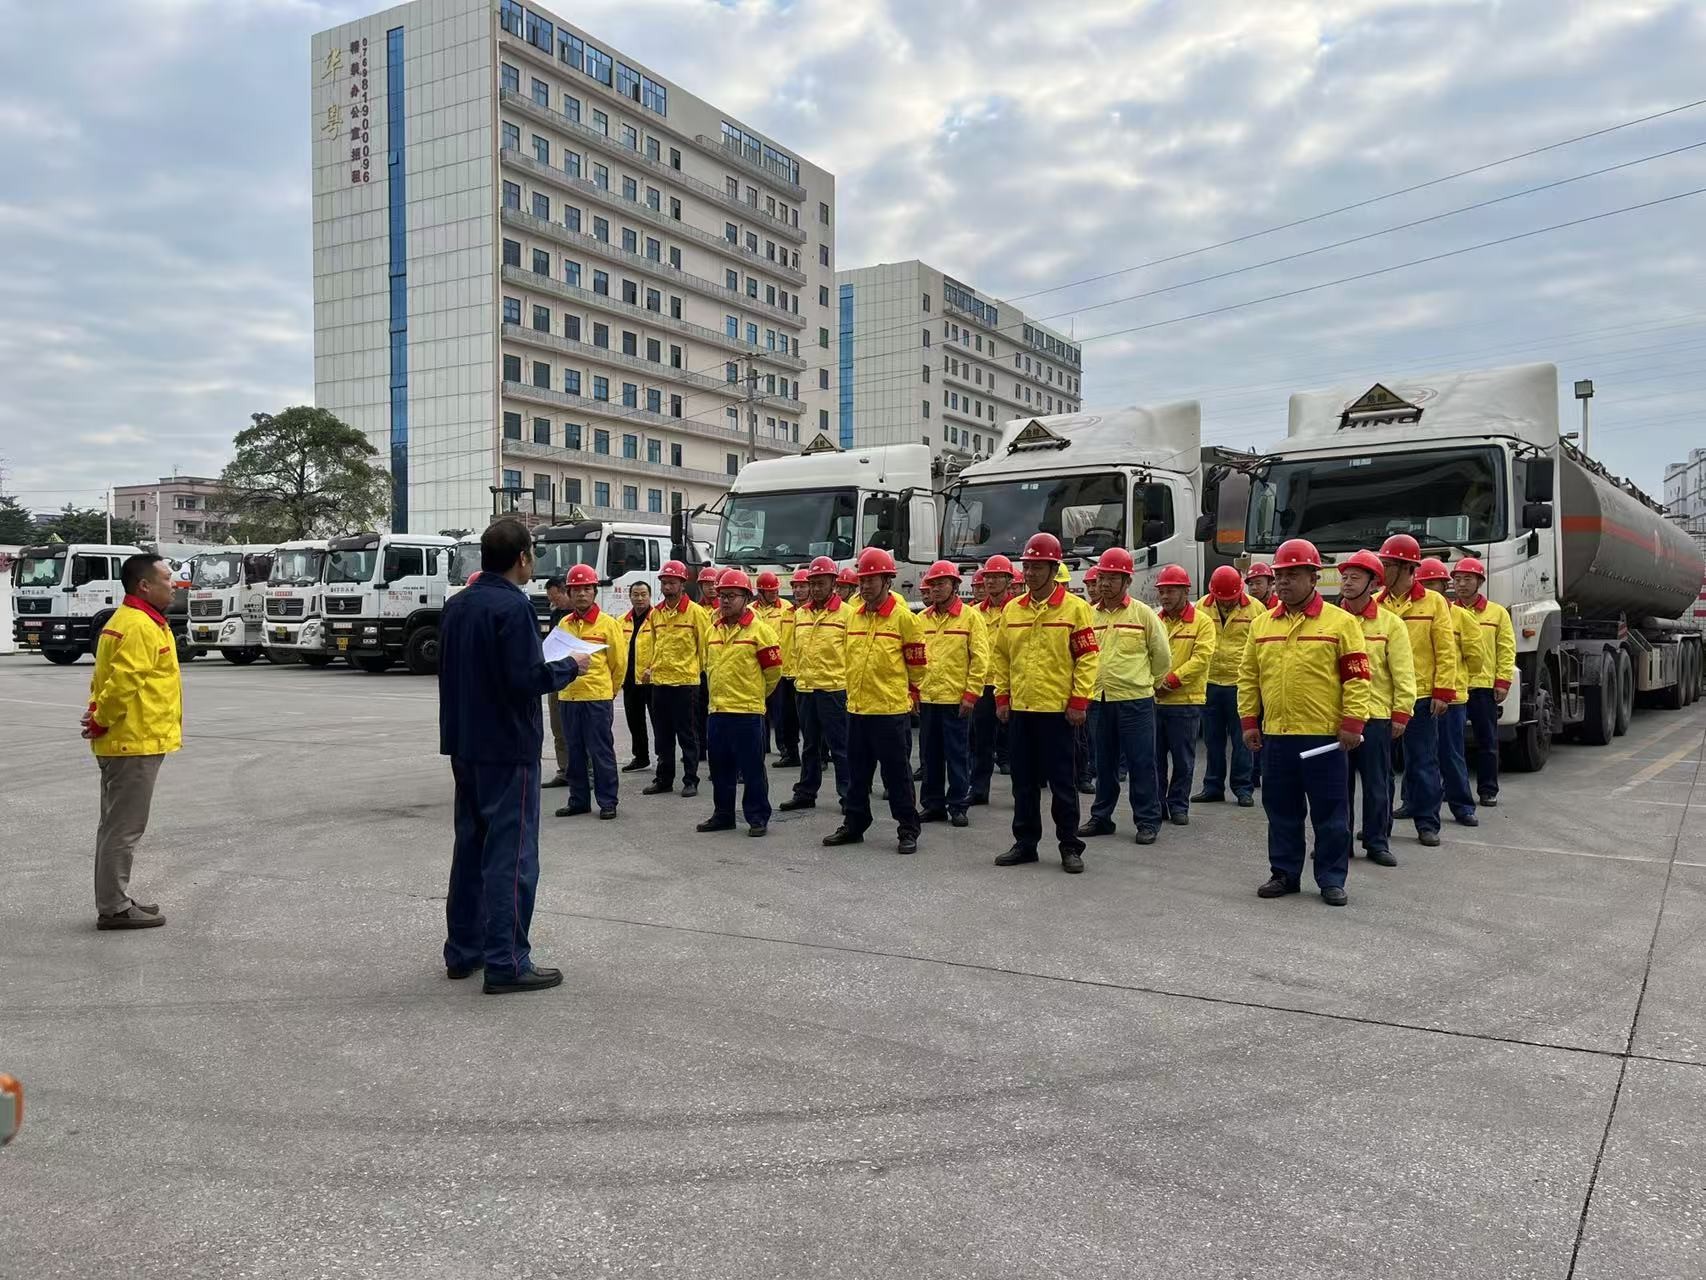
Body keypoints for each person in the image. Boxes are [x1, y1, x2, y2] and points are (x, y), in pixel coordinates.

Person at [439, 518, 589, 994]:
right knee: (512, 855)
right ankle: (507, 960)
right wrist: (570, 665)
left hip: (465, 742)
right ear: (522, 557)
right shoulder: (513, 607)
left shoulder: (458, 606)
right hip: (508, 746)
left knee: (471, 847)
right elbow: (525, 679)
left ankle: (464, 950)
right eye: (533, 554)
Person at [1238, 538, 1372, 906]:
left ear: (1314, 577)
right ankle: (1284, 873)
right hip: (1277, 736)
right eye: (1280, 575)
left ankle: (1331, 878)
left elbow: (1358, 678)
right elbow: (1248, 676)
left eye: (1293, 574)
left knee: (1330, 812)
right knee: (1281, 810)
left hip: (1322, 738)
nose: (1283, 582)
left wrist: (1353, 723)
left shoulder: (1341, 623)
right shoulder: (1262, 624)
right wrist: (1250, 721)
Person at [81, 552, 181, 930]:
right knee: (124, 827)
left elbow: (106, 678)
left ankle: (114, 898)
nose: (173, 585)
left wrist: (98, 717)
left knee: (114, 826)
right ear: (145, 585)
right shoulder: (139, 625)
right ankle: (114, 907)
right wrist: (101, 720)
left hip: (130, 739)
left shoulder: (131, 620)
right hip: (132, 741)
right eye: (167, 579)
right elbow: (122, 682)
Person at [990, 533, 1099, 873]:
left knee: (1063, 783)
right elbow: (1001, 657)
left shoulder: (1076, 609)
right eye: (1028, 566)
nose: (1032, 573)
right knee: (1023, 783)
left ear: (1054, 569)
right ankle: (1025, 843)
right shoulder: (1012, 610)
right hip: (1022, 709)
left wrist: (1079, 700)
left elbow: (1087, 659)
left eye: (1039, 567)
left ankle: (1069, 846)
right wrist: (1002, 697)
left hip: (1058, 712)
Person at [825, 547, 928, 853]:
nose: (865, 585)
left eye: (872, 579)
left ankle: (908, 828)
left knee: (896, 775)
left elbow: (918, 667)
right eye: (863, 580)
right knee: (858, 775)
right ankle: (855, 824)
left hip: (890, 711)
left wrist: (907, 694)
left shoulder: (904, 619)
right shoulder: (853, 618)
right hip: (857, 708)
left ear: (888, 581)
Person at [1077, 547, 1171, 845]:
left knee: (1141, 762)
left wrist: (1146, 684)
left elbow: (1162, 658)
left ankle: (1147, 820)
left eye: (1112, 578)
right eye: (1102, 577)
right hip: (1098, 700)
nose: (1104, 584)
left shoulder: (1143, 615)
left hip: (1135, 701)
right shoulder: (1088, 615)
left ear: (1127, 581)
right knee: (1103, 763)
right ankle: (1101, 816)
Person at [1377, 534, 1459, 848]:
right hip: (1384, 697)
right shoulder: (1376, 603)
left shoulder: (1434, 602)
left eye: (1387, 565)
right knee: (1381, 766)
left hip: (1422, 695)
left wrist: (1443, 691)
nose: (1381, 570)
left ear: (1406, 567)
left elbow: (1446, 650)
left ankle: (1427, 823)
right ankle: (1379, 824)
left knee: (1423, 761)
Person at [1337, 549, 1416, 867]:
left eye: (1356, 577)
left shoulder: (1391, 624)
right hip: (1339, 718)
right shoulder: (1331, 620)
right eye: (1344, 576)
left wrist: (1402, 712)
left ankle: (1377, 841)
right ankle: (1339, 841)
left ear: (1373, 583)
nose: (1347, 582)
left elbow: (1403, 671)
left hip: (1377, 717)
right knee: (1337, 786)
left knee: (1377, 784)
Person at [697, 569, 784, 836]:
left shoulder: (761, 632)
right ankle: (723, 814)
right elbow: (707, 664)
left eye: (731, 596)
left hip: (747, 711)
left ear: (746, 597)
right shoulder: (713, 630)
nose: (724, 601)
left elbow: (773, 673)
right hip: (718, 710)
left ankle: (757, 816)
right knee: (720, 767)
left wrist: (754, 695)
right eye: (722, 595)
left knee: (752, 768)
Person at [914, 559, 989, 828]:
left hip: (956, 699)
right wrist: (913, 692)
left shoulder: (970, 617)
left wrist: (971, 694)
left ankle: (958, 804)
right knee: (929, 755)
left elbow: (980, 658)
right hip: (928, 697)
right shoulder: (921, 619)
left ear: (955, 586)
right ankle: (932, 804)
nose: (935, 589)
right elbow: (913, 657)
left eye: (941, 583)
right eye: (932, 584)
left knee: (957, 754)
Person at [551, 563, 627, 821]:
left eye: (587, 589)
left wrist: (609, 690)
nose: (582, 594)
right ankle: (578, 800)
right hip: (569, 697)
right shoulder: (564, 623)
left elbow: (619, 664)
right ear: (569, 593)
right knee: (574, 753)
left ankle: (608, 801)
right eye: (576, 590)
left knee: (601, 752)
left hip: (597, 698)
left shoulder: (608, 625)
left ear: (594, 591)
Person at [781, 556, 850, 812]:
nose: (817, 588)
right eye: (814, 583)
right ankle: (806, 792)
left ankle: (848, 795)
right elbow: (794, 650)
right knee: (809, 745)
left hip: (835, 689)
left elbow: (853, 654)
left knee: (840, 747)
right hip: (806, 688)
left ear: (834, 583)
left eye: (822, 583)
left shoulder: (847, 615)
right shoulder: (800, 614)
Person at [1420, 557, 1485, 828]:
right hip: (1422, 694)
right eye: (1423, 584)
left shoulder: (1462, 616)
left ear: (1444, 586)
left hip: (1452, 697)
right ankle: (1415, 802)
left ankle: (1462, 806)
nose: (1428, 590)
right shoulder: (1418, 612)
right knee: (1421, 757)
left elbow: (1476, 657)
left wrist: (1458, 680)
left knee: (1451, 753)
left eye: (1433, 584)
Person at [640, 560, 711, 799]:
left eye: (672, 582)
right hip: (660, 683)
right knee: (663, 735)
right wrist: (649, 668)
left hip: (686, 683)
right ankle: (664, 779)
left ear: (682, 584)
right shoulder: (656, 614)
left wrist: (698, 673)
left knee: (688, 734)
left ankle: (691, 779)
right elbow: (652, 645)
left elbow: (705, 648)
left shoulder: (696, 613)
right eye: (664, 582)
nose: (667, 586)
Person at [1153, 564, 1216, 826]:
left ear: (1185, 591)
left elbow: (1201, 659)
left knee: (1183, 759)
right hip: (1155, 701)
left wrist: (1170, 681)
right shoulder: (1156, 620)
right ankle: (1157, 806)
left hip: (1185, 701)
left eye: (1170, 591)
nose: (1165, 597)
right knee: (1154, 760)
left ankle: (1179, 805)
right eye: (1162, 592)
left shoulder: (1202, 622)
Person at [1194, 565, 1262, 807]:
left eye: (1230, 600)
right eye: (1220, 600)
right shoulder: (1201, 606)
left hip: (1240, 684)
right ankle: (1212, 786)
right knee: (1213, 740)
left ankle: (1243, 788)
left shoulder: (1256, 609)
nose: (1225, 604)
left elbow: (1261, 649)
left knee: (1242, 739)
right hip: (1210, 682)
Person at [1451, 557, 1515, 806]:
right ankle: (1453, 789)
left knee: (1486, 741)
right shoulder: (1447, 611)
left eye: (1468, 579)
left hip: (1483, 686)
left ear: (1479, 581)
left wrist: (1503, 681)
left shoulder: (1497, 613)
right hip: (1455, 687)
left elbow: (1506, 648)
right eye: (1457, 579)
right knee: (1451, 744)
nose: (1462, 584)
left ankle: (1488, 790)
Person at [969, 554, 1018, 804]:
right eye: (988, 577)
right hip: (984, 685)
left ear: (1009, 580)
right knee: (982, 741)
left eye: (997, 576)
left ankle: (1021, 793)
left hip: (1012, 683)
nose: (990, 581)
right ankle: (979, 789)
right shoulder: (975, 613)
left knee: (1017, 743)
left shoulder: (1018, 609)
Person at [753, 570, 799, 765]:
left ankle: (784, 748)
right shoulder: (750, 610)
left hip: (779, 667)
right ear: (760, 592)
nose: (774, 595)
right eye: (770, 592)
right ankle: (762, 747)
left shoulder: (787, 609)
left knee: (780, 712)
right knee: (760, 710)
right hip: (756, 667)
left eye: (776, 591)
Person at [619, 582, 655, 773]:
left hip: (652, 679)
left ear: (650, 596)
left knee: (658, 722)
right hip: (630, 679)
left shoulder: (657, 619)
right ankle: (641, 757)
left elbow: (664, 648)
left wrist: (652, 668)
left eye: (643, 594)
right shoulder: (622, 621)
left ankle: (664, 759)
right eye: (635, 594)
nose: (639, 598)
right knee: (635, 720)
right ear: (630, 596)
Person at [541, 575, 572, 788]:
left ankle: (584, 770)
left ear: (565, 591)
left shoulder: (578, 615)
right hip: (556, 675)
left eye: (555, 597)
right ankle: (564, 770)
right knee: (558, 727)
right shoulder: (556, 615)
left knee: (578, 729)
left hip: (576, 676)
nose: (553, 602)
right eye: (550, 599)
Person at [694, 565, 720, 747]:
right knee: (699, 710)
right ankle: (701, 746)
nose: (710, 587)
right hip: (699, 668)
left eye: (713, 584)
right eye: (706, 584)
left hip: (717, 666)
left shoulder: (724, 609)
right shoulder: (696, 609)